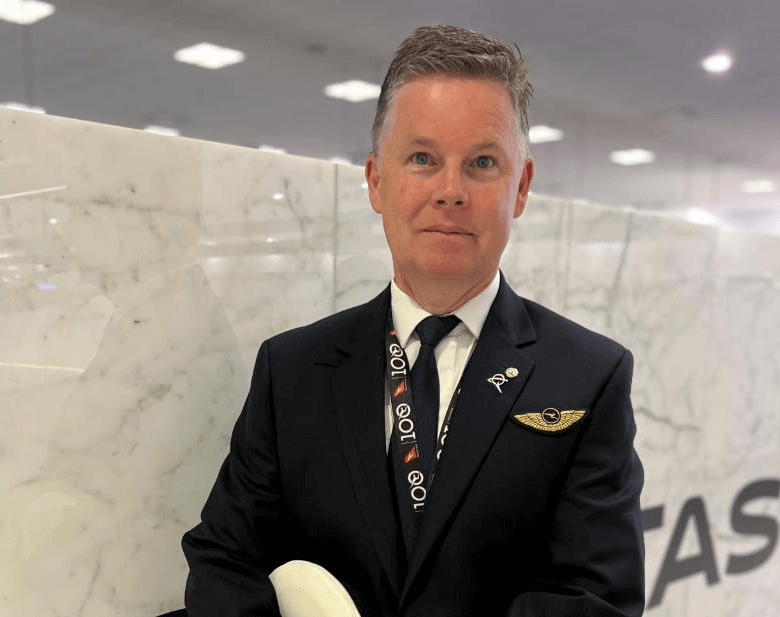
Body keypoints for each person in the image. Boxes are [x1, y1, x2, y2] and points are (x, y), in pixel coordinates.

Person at [181, 25, 645, 617]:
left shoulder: (587, 376)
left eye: (482, 162)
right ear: (377, 180)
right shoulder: (293, 370)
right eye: (423, 159)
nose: (451, 192)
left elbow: (595, 599)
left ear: (521, 186)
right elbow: (226, 560)